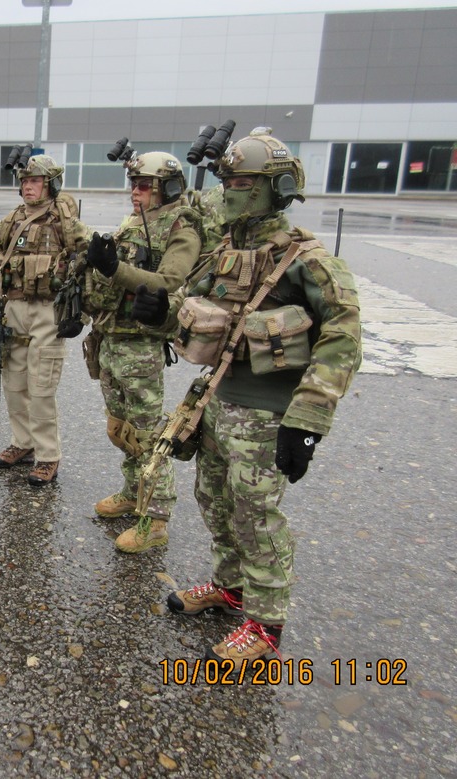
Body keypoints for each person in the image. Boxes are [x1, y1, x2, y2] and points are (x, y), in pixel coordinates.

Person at [131, 130, 362, 667]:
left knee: (256, 515)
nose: (227, 193)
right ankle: (229, 587)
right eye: (227, 182)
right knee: (214, 500)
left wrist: (306, 420)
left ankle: (266, 623)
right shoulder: (226, 253)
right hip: (215, 401)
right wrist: (160, 315)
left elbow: (342, 340)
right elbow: (196, 309)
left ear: (273, 189)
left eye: (239, 184)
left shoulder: (307, 260)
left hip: (267, 415)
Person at [81, 152, 203, 552]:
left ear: (167, 187)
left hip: (141, 345)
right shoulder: (135, 222)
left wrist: (114, 268)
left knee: (150, 436)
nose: (136, 192)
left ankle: (157, 518)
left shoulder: (180, 225)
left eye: (145, 185)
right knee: (122, 429)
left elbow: (170, 279)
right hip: (112, 339)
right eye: (134, 184)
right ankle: (134, 492)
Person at [0, 155, 92, 486]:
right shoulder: (12, 220)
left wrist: (80, 314)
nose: (28, 186)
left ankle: (47, 455)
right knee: (14, 383)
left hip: (48, 311)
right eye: (25, 181)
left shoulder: (66, 223)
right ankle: (23, 442)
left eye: (36, 181)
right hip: (13, 309)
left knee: (41, 387)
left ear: (52, 184)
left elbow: (88, 265)